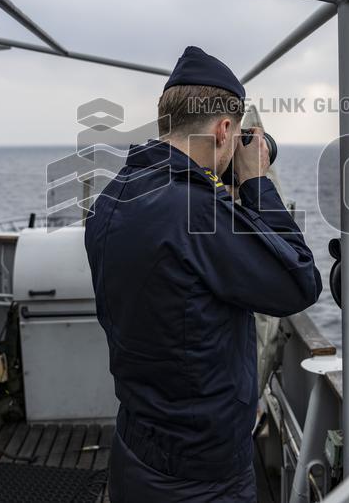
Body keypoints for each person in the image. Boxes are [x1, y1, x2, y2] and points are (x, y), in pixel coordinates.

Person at [85, 46, 323, 501]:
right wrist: (256, 182)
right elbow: (299, 281)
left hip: (138, 445)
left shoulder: (116, 195)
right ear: (223, 129)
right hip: (200, 474)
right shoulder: (196, 212)